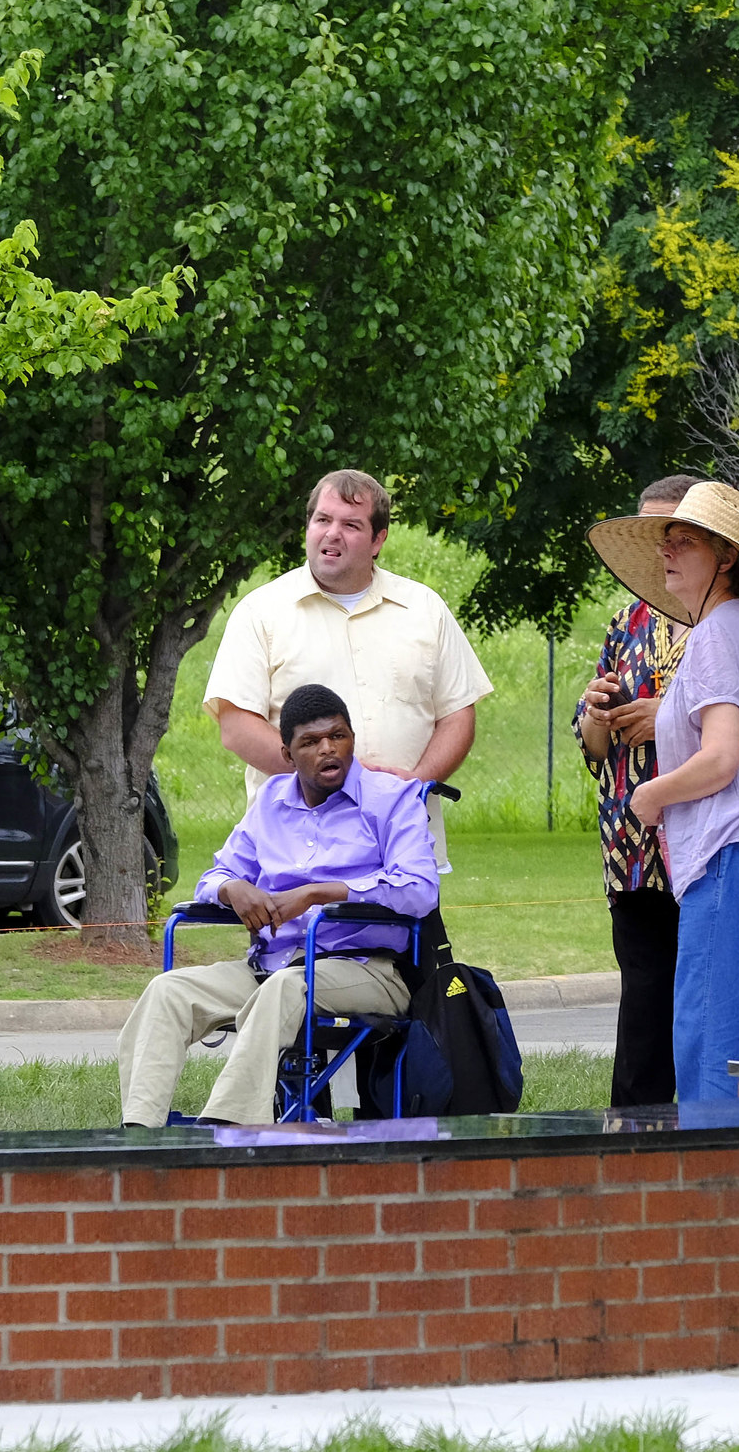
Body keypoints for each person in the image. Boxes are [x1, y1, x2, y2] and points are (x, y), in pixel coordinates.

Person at [586, 482, 739, 1103]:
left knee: (711, 1030)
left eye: (684, 540)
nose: (667, 551)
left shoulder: (717, 633)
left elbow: (721, 757)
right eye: (666, 539)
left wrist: (652, 795)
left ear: (726, 558)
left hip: (737, 844)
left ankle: (711, 1183)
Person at [116, 685, 438, 1126]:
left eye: (338, 736)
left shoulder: (393, 799)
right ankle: (138, 1133)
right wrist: (233, 890)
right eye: (311, 742)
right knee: (169, 991)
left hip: (366, 969)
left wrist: (318, 893)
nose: (328, 749)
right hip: (273, 965)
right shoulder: (271, 802)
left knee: (284, 990)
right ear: (287, 754)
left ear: (351, 739)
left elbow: (420, 889)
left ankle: (226, 1131)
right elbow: (215, 875)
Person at [203, 471, 493, 859]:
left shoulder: (425, 610)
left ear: (378, 540)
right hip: (295, 856)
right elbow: (236, 726)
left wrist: (411, 785)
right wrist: (333, 782)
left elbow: (458, 715)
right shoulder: (261, 613)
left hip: (402, 847)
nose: (332, 533)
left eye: (351, 525)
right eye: (322, 519)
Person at [574, 473, 698, 1106]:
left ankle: (711, 1133)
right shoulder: (628, 621)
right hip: (633, 843)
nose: (659, 549)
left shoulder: (736, 621)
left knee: (703, 996)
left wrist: (665, 717)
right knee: (643, 993)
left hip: (708, 838)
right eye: (646, 534)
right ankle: (633, 1135)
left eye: (671, 534)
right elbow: (594, 750)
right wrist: (599, 714)